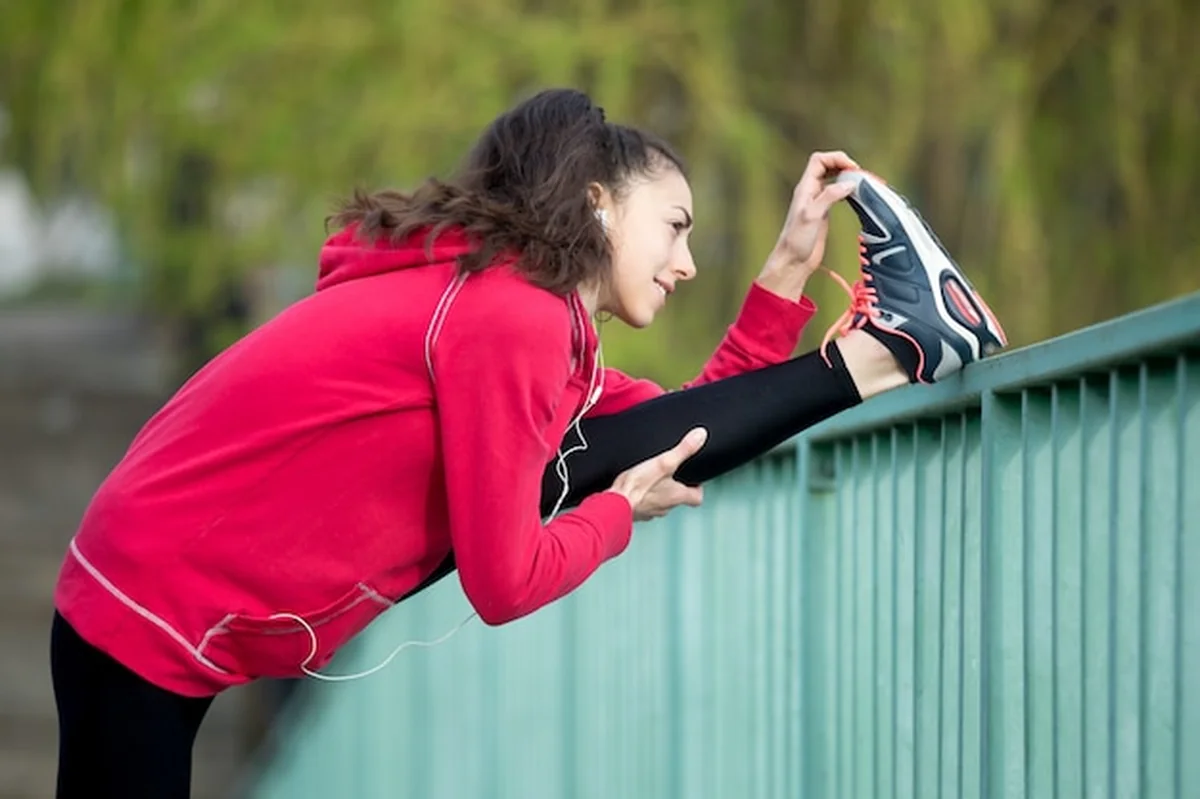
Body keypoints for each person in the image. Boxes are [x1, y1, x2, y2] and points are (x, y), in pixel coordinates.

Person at [49, 88, 1006, 797]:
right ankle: (897, 349)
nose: (686, 261)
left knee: (603, 454)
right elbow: (504, 582)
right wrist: (616, 516)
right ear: (598, 204)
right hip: (146, 608)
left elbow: (676, 428)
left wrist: (788, 271)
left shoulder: (520, 319)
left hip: (149, 595)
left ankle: (900, 347)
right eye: (673, 227)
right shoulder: (512, 321)